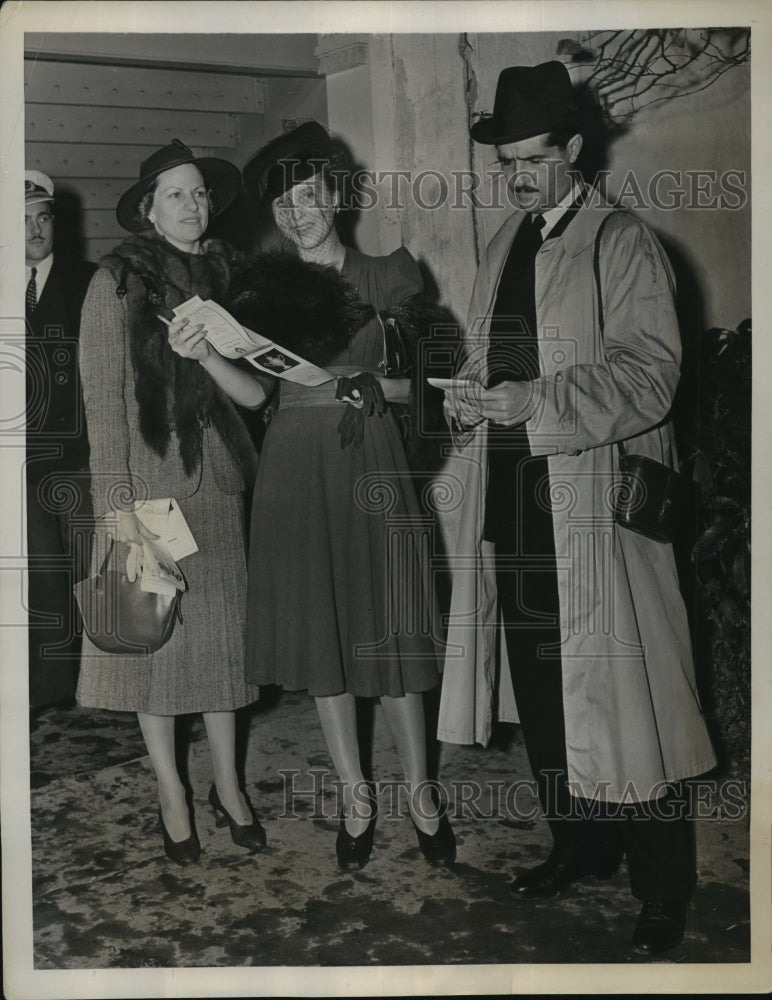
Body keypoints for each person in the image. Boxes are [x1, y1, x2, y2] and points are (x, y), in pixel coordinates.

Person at [436, 62, 717, 954]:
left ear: (574, 150)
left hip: (594, 510)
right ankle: (579, 846)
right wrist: (471, 394)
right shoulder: (503, 244)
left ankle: (664, 889)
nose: (516, 176)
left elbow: (651, 377)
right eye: (506, 161)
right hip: (516, 505)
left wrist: (537, 402)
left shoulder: (622, 241)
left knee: (633, 705)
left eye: (531, 159)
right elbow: (494, 363)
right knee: (549, 701)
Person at [182, 121, 455, 870]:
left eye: (309, 197)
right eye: (284, 204)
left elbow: (433, 387)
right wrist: (207, 352)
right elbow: (255, 394)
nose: (297, 214)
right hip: (293, 472)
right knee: (325, 640)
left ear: (336, 195)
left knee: (389, 634)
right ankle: (355, 794)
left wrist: (379, 385)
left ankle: (422, 792)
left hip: (368, 461)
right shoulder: (260, 291)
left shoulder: (388, 276)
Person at [77, 140, 268, 866]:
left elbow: (254, 392)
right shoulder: (118, 282)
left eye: (201, 194)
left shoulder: (227, 275)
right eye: (178, 195)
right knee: (157, 654)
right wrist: (119, 512)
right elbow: (103, 403)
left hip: (218, 483)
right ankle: (172, 796)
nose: (194, 206)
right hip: (151, 491)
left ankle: (229, 786)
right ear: (150, 209)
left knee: (224, 652)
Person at [25, 170, 96, 709]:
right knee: (37, 577)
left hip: (78, 455)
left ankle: (99, 689)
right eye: (22, 221)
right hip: (18, 460)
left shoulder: (90, 281)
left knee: (87, 572)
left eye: (42, 218)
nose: (34, 230)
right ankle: (44, 692)